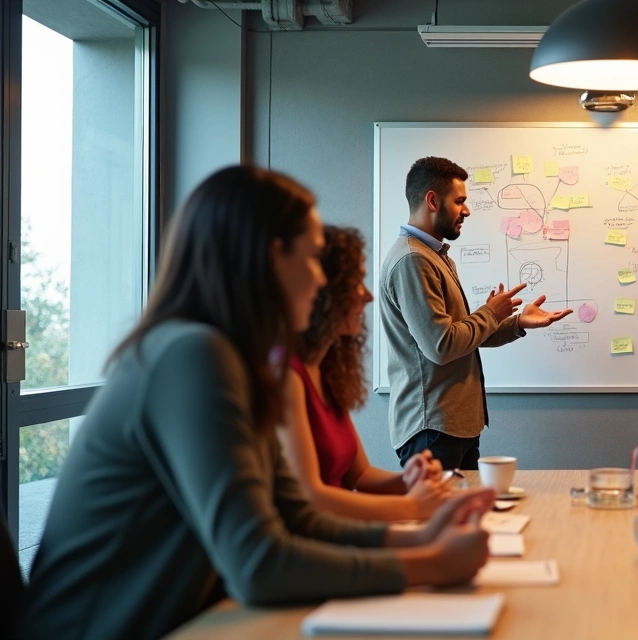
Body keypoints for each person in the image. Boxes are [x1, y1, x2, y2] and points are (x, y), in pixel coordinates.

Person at [20, 166, 493, 640]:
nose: (319, 279)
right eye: (312, 259)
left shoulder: (234, 361)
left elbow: (296, 517)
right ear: (271, 258)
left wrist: (422, 538)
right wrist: (429, 562)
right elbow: (258, 563)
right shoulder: (192, 355)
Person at [382, 156, 572, 470]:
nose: (467, 210)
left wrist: (515, 323)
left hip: (454, 426)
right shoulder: (412, 260)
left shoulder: (435, 256)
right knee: (444, 519)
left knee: (465, 518)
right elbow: (441, 346)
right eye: (459, 201)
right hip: (432, 428)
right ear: (432, 200)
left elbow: (464, 336)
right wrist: (489, 312)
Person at [279, 225, 465, 521]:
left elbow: (361, 475)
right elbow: (311, 496)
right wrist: (412, 506)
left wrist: (410, 481)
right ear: (322, 290)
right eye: (354, 282)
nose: (367, 296)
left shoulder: (327, 371)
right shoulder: (287, 376)